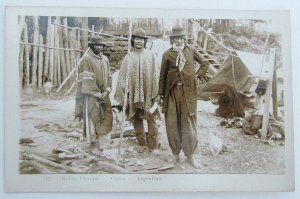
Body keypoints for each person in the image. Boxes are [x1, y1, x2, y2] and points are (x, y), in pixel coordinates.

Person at [158, 25, 210, 168]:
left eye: (181, 38)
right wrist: (160, 95)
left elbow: (205, 63)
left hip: (188, 94)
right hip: (172, 93)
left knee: (188, 125)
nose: (179, 41)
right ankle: (175, 154)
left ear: (185, 40)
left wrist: (197, 76)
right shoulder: (167, 54)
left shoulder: (191, 50)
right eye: (176, 38)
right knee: (172, 123)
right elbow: (162, 76)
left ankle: (190, 156)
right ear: (172, 40)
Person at [115, 28, 160, 155]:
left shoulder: (151, 56)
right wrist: (124, 94)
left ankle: (153, 145)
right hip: (133, 95)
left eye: (141, 39)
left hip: (148, 94)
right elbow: (122, 77)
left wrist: (156, 93)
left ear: (145, 42)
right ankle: (141, 143)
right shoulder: (128, 57)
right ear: (133, 41)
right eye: (136, 39)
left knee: (151, 119)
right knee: (135, 119)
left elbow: (156, 74)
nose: (139, 41)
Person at [75, 35, 113, 151]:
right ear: (91, 46)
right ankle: (93, 142)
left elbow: (109, 76)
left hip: (104, 94)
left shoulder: (105, 59)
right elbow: (86, 78)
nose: (99, 47)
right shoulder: (86, 59)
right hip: (92, 95)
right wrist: (96, 93)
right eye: (97, 45)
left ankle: (104, 143)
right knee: (94, 117)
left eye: (101, 45)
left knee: (106, 117)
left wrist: (107, 90)